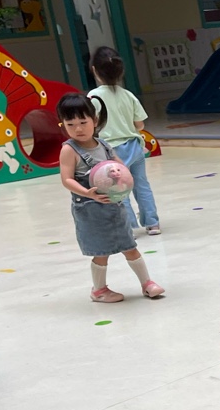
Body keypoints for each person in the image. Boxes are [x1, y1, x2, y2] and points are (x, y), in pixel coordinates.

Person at [57, 93, 165, 303]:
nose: (78, 129)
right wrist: (87, 192)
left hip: (114, 207)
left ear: (95, 120)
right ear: (63, 125)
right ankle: (98, 290)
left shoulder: (104, 145)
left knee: (129, 246)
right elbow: (66, 179)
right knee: (101, 252)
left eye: (83, 122)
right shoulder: (69, 150)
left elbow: (120, 166)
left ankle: (147, 283)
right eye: (70, 125)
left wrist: (123, 177)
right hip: (90, 210)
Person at [88, 46, 161, 236]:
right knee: (142, 185)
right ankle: (153, 223)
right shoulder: (128, 95)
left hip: (111, 151)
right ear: (121, 72)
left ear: (94, 70)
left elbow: (90, 126)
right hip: (135, 147)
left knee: (117, 188)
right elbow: (140, 125)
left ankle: (129, 227)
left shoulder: (93, 97)